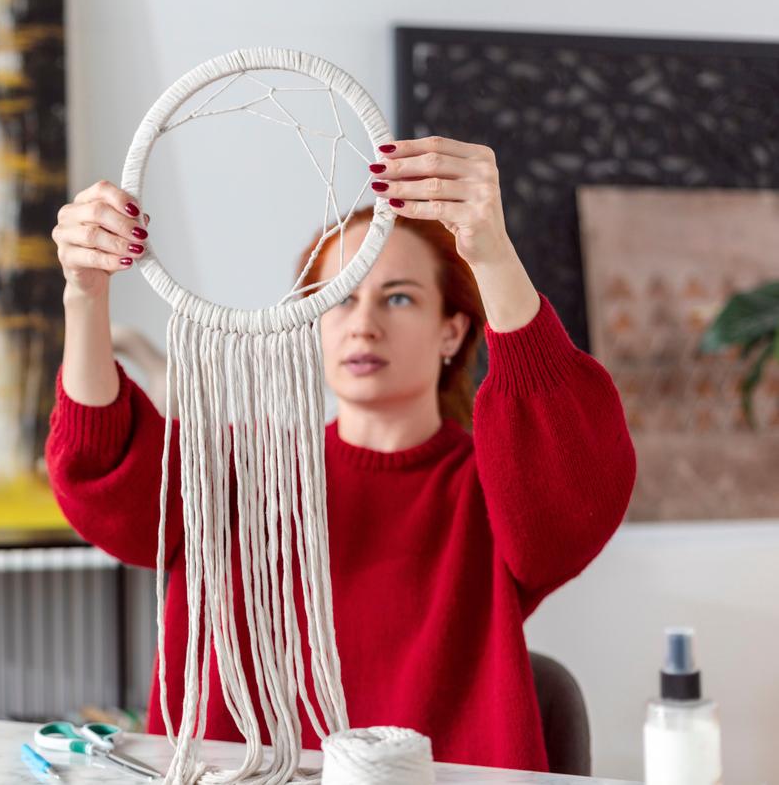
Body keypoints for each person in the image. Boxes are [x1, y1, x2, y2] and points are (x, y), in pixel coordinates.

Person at [44, 136, 636, 772]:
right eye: (341, 297)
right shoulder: (241, 476)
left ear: (452, 330)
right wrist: (85, 295)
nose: (363, 323)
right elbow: (99, 476)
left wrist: (489, 251)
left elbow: (577, 481)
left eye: (399, 297)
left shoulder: (495, 489)